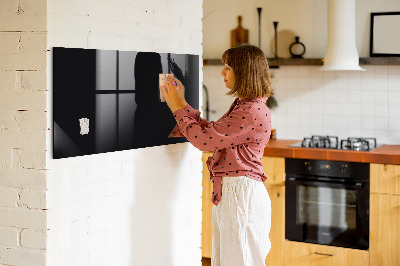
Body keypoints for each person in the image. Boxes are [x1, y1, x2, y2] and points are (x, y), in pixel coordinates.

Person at [161, 44, 273, 266]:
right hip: (236, 193)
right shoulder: (246, 106)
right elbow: (212, 133)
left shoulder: (250, 111)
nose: (222, 72)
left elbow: (204, 141)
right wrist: (182, 103)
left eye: (228, 67)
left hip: (241, 195)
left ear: (244, 72)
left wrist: (176, 108)